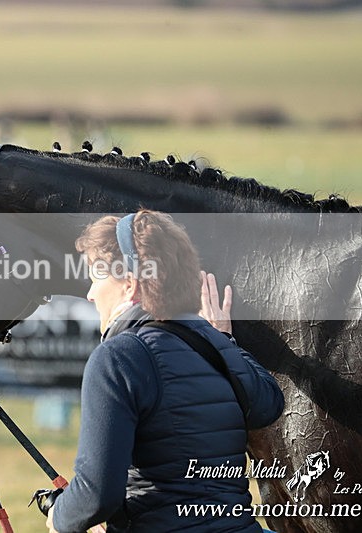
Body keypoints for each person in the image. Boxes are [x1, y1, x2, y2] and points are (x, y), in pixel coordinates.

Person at [46, 210, 284, 533]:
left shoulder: (116, 360)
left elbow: (96, 495)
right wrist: (224, 339)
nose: (89, 293)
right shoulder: (217, 344)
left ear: (129, 284)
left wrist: (59, 514)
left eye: (96, 277)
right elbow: (270, 402)